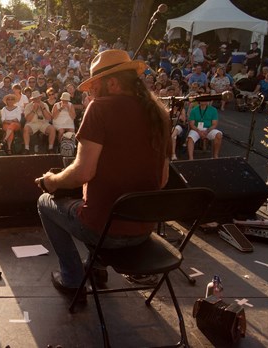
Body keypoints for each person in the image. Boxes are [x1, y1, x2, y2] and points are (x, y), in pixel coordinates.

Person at [35, 50, 171, 298]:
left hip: (104, 232)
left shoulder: (100, 108)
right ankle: (95, 267)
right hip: (143, 230)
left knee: (46, 203)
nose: (89, 93)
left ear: (112, 83)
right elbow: (162, 180)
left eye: (92, 87)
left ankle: (72, 279)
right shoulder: (160, 113)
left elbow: (82, 172)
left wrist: (51, 182)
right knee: (92, 203)